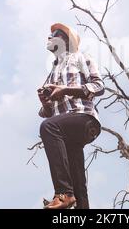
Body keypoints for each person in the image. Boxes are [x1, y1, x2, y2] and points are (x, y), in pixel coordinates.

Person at [37, 23, 104, 209]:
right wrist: (45, 102)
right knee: (78, 181)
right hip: (65, 130)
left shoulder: (81, 58)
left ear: (66, 41)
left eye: (55, 34)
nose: (49, 37)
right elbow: (48, 113)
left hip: (84, 119)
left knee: (48, 127)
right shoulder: (51, 73)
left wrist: (66, 90)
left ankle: (63, 193)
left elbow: (99, 87)